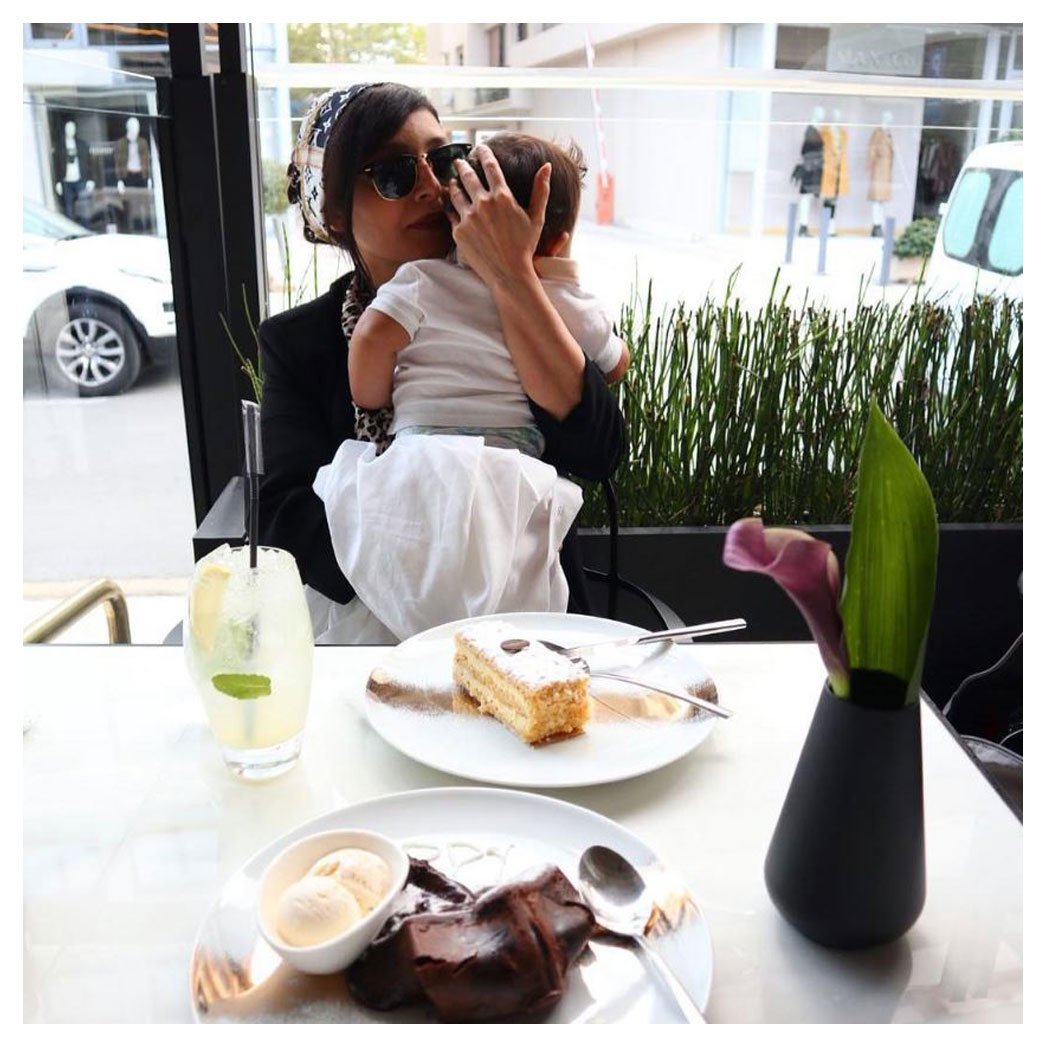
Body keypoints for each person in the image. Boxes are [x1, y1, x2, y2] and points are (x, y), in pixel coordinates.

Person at [258, 84, 625, 641]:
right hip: (377, 633)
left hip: (528, 618)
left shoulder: (530, 298)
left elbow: (597, 451)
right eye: (394, 173)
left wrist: (511, 274)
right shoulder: (298, 341)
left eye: (444, 159)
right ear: (335, 214)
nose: (432, 187)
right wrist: (426, 562)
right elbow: (286, 518)